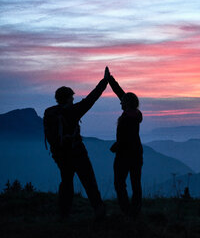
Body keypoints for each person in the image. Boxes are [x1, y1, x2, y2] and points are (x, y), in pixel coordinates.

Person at [43, 68, 110, 220]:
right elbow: (91, 98)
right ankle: (99, 212)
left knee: (66, 182)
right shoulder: (74, 111)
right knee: (89, 182)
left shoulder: (50, 113)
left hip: (60, 155)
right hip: (77, 153)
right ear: (67, 98)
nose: (73, 100)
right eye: (72, 98)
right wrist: (104, 81)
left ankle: (63, 214)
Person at [106, 67, 143, 217]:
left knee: (119, 183)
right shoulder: (136, 113)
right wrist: (110, 80)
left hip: (124, 155)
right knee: (136, 183)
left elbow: (125, 139)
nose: (120, 104)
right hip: (137, 154)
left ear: (126, 104)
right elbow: (121, 94)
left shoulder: (128, 118)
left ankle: (126, 210)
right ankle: (135, 210)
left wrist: (115, 146)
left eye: (122, 102)